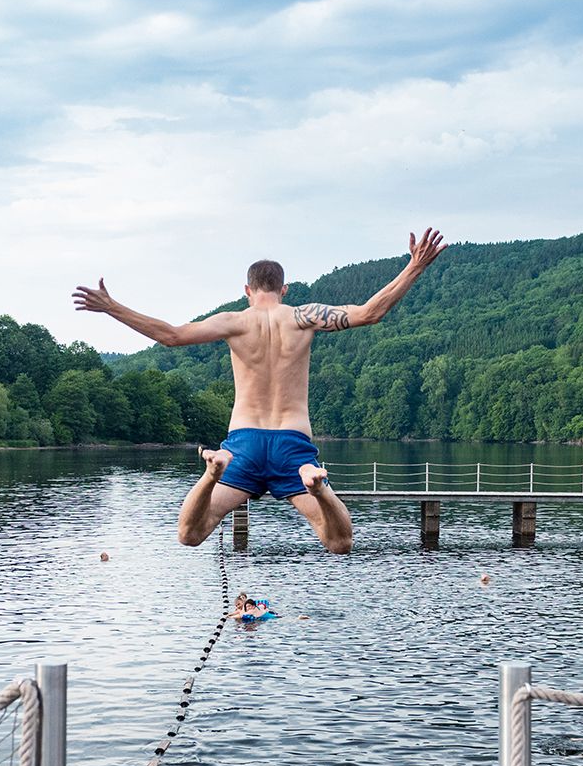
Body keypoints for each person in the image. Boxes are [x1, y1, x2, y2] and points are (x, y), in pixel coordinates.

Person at [73, 230, 448, 554]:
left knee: (189, 535)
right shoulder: (304, 316)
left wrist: (111, 307)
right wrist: (415, 266)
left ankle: (211, 471)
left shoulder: (234, 321)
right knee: (339, 542)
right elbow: (369, 312)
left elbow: (170, 336)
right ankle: (317, 486)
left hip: (243, 446)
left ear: (247, 290)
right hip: (293, 446)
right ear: (284, 290)